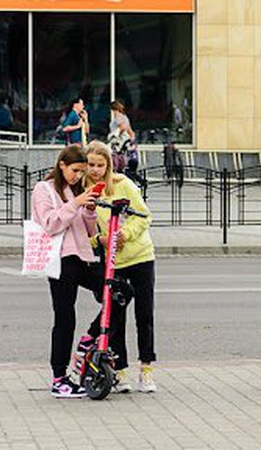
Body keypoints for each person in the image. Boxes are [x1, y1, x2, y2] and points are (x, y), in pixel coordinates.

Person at [73, 141, 158, 393]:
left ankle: (146, 370)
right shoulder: (85, 191)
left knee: (144, 314)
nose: (96, 170)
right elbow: (81, 230)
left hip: (140, 256)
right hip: (112, 262)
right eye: (91, 165)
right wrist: (97, 240)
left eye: (101, 165)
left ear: (109, 164)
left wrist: (125, 234)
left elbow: (143, 215)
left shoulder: (123, 184)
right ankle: (119, 371)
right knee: (115, 318)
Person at [31, 144, 103, 398]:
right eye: (74, 170)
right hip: (60, 259)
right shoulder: (44, 189)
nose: (77, 176)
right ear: (62, 165)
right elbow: (50, 223)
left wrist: (90, 210)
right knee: (65, 317)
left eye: (81, 172)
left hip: (83, 257)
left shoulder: (76, 190)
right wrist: (77, 203)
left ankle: (88, 342)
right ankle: (59, 378)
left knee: (118, 293)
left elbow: (89, 230)